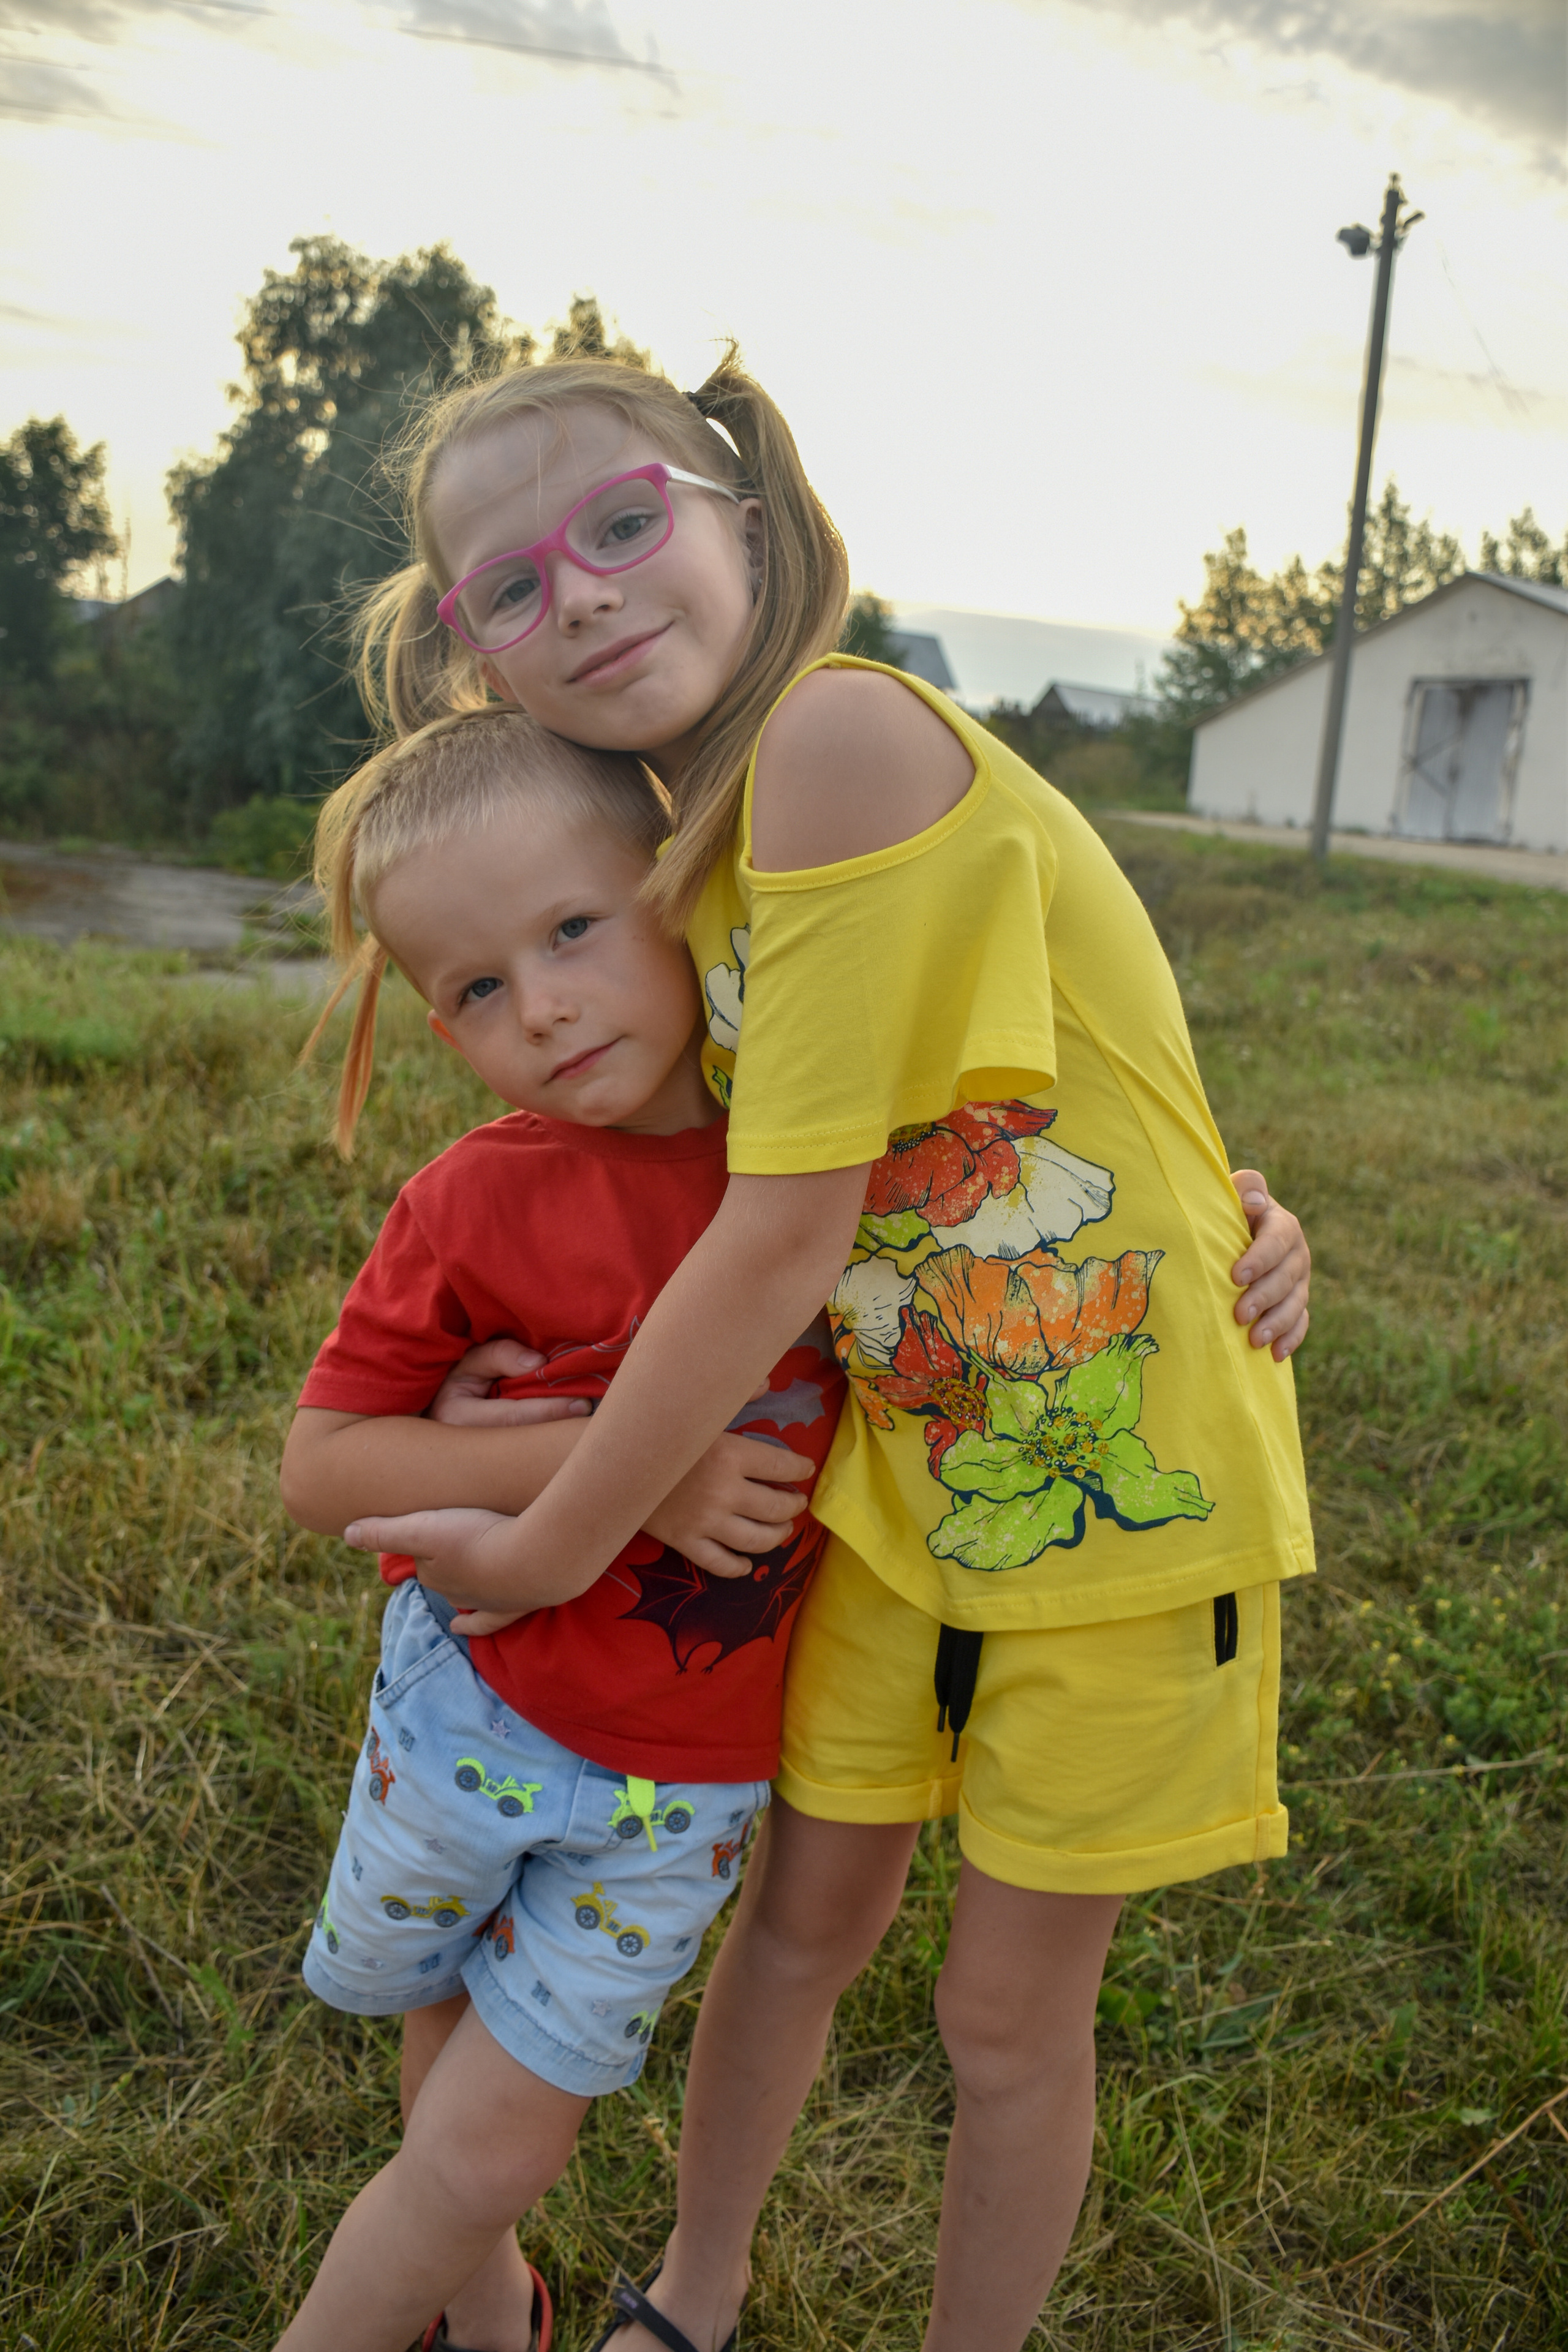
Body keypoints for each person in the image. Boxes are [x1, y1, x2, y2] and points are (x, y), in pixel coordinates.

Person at [342, 351, 1316, 2352]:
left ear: (746, 524)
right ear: (480, 671)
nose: (586, 595)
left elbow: (783, 1234)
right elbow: (801, 1137)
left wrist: (540, 1541)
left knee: (1001, 2015)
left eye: (624, 525)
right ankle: (691, 2299)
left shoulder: (845, 738)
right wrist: (498, 1389)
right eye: (510, 588)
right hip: (896, 1483)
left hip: (1125, 1488)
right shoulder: (677, 851)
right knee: (795, 1932)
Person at [273, 707, 843, 2352]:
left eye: (573, 929)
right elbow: (324, 1470)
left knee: (508, 2131)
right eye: (476, 989)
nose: (543, 1007)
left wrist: (1250, 1217)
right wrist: (617, 1465)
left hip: (680, 1769)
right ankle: (488, 2312)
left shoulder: (815, 1163)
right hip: (467, 1709)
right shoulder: (470, 1201)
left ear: (683, 889)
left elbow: (1042, 1205)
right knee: (438, 2020)